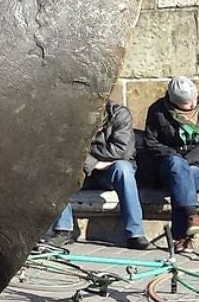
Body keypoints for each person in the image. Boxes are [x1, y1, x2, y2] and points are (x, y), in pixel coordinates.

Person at [138, 76, 199, 252]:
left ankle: (181, 238)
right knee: (177, 170)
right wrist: (176, 158)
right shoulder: (157, 111)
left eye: (192, 100)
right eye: (185, 103)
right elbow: (151, 143)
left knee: (180, 177)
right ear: (173, 101)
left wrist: (187, 160)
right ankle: (192, 215)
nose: (190, 105)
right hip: (168, 166)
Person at [50, 101, 145, 249]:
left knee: (124, 169)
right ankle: (63, 230)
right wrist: (93, 163)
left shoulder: (120, 114)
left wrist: (87, 155)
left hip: (110, 172)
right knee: (59, 169)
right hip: (81, 172)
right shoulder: (72, 117)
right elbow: (66, 149)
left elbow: (122, 151)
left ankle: (135, 234)